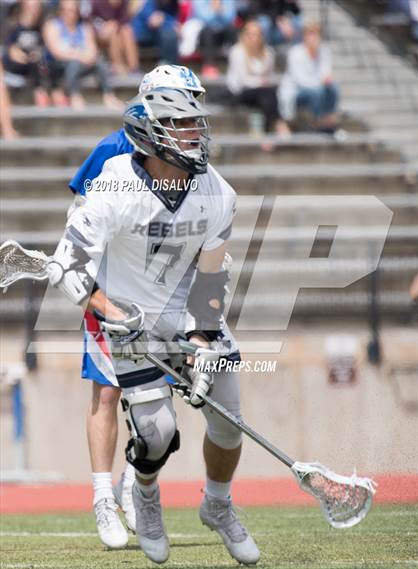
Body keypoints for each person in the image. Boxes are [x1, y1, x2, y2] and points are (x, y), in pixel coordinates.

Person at [48, 63, 260, 566]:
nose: (196, 133)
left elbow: (210, 279)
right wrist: (106, 309)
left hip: (186, 315)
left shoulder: (218, 192)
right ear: (157, 124)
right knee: (157, 433)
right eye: (184, 123)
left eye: (196, 122)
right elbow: (67, 266)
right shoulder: (114, 182)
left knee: (229, 420)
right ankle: (143, 492)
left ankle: (218, 503)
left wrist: (204, 341)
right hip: (130, 316)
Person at [67, 65, 213, 551]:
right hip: (112, 293)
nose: (193, 117)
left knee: (160, 407)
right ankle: (103, 496)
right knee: (107, 393)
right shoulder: (115, 148)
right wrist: (95, 291)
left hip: (163, 296)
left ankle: (134, 482)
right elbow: (82, 221)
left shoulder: (192, 157)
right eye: (185, 100)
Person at [43, 0, 123, 109]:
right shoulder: (52, 26)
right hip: (57, 66)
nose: (68, 13)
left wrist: (88, 56)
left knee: (99, 61)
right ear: (60, 11)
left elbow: (92, 49)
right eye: (65, 10)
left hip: (81, 63)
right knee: (73, 63)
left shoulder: (84, 27)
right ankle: (74, 96)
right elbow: (56, 52)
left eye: (72, 10)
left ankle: (108, 96)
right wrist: (80, 56)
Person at [227, 19, 290, 148]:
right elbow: (241, 80)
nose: (254, 38)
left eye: (257, 34)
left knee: (266, 95)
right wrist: (260, 82)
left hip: (262, 93)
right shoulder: (237, 51)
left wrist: (262, 82)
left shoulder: (268, 52)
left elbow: (270, 76)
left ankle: (267, 135)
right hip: (241, 91)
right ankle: (279, 123)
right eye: (251, 34)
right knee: (267, 93)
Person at [280, 21, 340, 133]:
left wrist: (326, 79)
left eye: (316, 34)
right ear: (304, 36)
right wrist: (321, 81)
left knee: (333, 87)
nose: (313, 37)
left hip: (316, 88)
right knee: (317, 92)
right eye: (310, 33)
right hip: (297, 91)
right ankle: (318, 121)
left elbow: (326, 73)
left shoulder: (324, 51)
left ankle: (327, 118)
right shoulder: (295, 52)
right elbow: (300, 80)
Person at [3, 0, 52, 107]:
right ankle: (39, 93)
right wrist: (25, 57)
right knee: (34, 63)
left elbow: (44, 49)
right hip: (16, 64)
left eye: (36, 7)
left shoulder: (42, 27)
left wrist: (36, 55)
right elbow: (12, 51)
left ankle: (42, 94)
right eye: (31, 7)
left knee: (38, 63)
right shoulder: (14, 26)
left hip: (33, 66)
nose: (34, 10)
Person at [90, 0, 140, 75]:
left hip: (117, 32)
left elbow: (124, 20)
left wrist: (114, 24)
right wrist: (103, 27)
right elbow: (89, 21)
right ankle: (118, 66)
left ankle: (134, 68)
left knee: (127, 31)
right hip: (99, 33)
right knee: (113, 32)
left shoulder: (124, 2)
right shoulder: (97, 2)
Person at [193, 0, 237, 78]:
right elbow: (201, 17)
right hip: (204, 31)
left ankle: (236, 64)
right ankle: (209, 65)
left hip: (223, 29)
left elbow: (231, 18)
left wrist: (219, 11)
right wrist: (215, 11)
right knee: (208, 31)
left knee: (233, 30)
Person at [131, 0, 179, 65]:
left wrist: (167, 21)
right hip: (140, 33)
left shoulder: (173, 4)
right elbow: (153, 22)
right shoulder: (150, 3)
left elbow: (174, 23)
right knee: (168, 34)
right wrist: (169, 23)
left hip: (158, 34)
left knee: (170, 34)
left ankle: (171, 64)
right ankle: (166, 63)